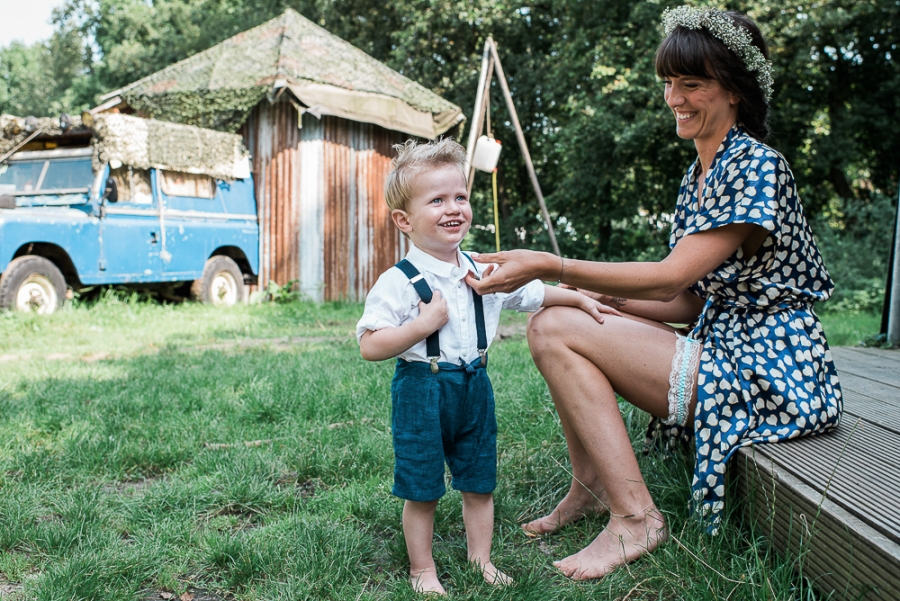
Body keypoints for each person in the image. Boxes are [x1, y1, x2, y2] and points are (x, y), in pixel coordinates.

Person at [464, 6, 843, 581]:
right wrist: (590, 295)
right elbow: (691, 301)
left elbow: (669, 277)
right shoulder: (700, 174)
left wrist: (556, 263)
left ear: (735, 90)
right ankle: (591, 487)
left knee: (559, 327)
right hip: (729, 344)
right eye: (668, 82)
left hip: (775, 370)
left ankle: (636, 519)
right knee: (555, 321)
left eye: (692, 84)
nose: (674, 98)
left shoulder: (757, 165)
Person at [356, 138, 621, 594]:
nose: (453, 208)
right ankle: (422, 569)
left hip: (475, 385)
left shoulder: (482, 268)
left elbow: (531, 293)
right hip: (423, 389)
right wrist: (423, 325)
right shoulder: (397, 282)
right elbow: (370, 345)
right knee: (422, 486)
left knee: (479, 480)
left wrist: (577, 296)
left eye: (460, 197)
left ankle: (481, 559)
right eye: (436, 200)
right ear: (404, 220)